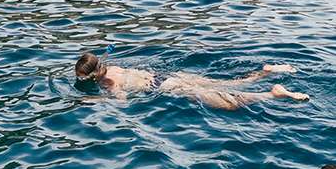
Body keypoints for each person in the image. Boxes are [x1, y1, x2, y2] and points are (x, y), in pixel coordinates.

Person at [73, 52, 307, 110]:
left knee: (229, 104)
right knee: (226, 85)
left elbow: (122, 102)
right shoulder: (112, 66)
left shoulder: (107, 83)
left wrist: (95, 100)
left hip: (167, 87)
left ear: (92, 74)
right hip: (167, 77)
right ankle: (266, 72)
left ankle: (271, 94)